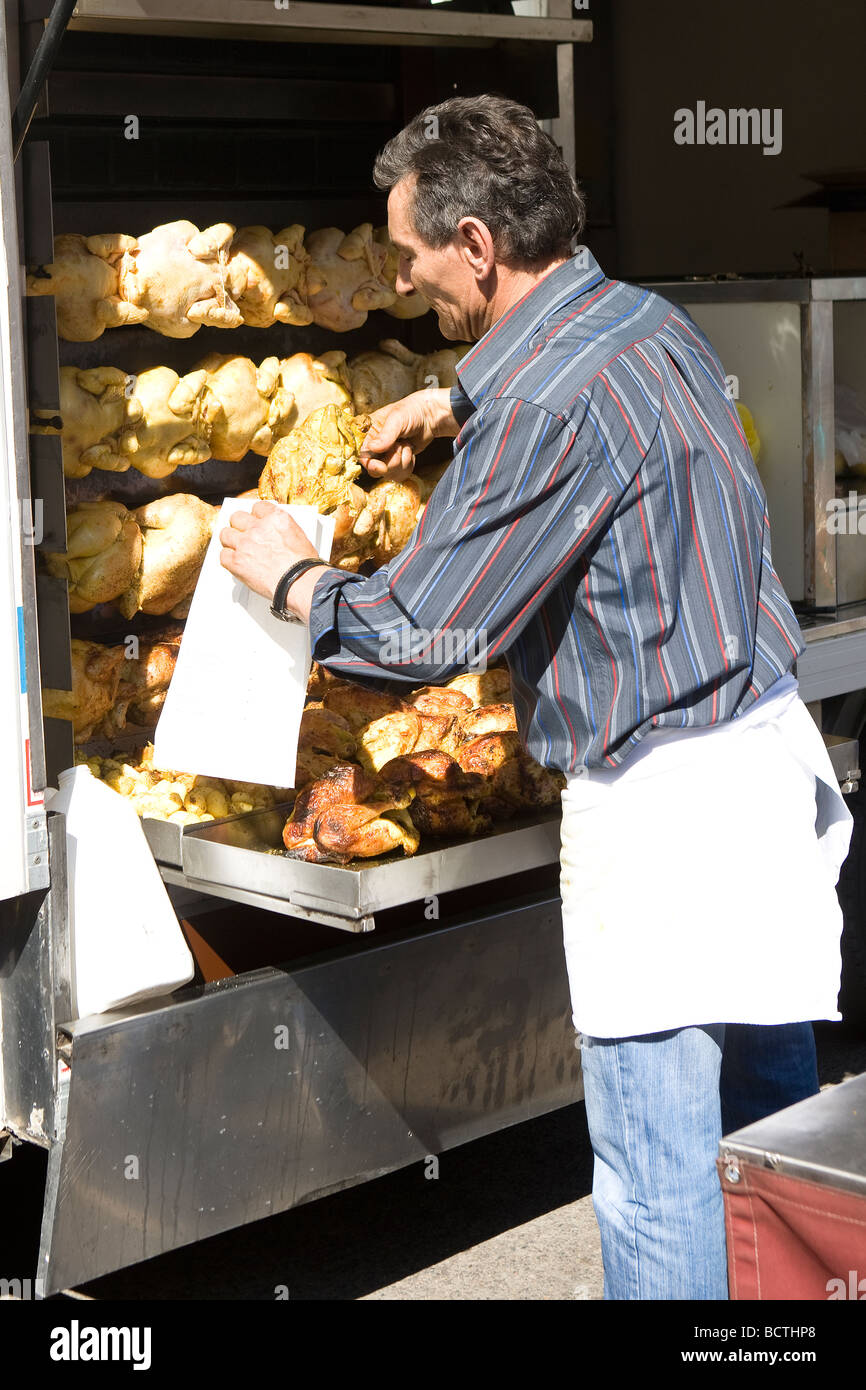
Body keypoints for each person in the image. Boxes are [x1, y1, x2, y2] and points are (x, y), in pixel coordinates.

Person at [219, 93, 854, 1299]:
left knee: (660, 1171)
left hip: (666, 819)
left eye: (410, 258)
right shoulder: (639, 319)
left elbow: (421, 632)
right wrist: (448, 399)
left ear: (475, 246)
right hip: (763, 763)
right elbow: (564, 381)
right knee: (769, 1155)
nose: (406, 285)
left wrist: (294, 578)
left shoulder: (534, 409)